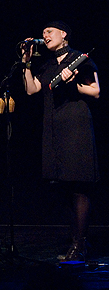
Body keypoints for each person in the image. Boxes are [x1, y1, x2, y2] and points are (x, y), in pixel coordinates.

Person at [22, 21, 100, 261]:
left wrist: (74, 86)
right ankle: (75, 241)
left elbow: (96, 90)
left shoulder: (80, 59)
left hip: (76, 127)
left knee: (78, 185)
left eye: (49, 31)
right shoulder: (46, 65)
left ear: (64, 34)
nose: (44, 35)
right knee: (62, 187)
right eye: (43, 32)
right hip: (54, 129)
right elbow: (31, 89)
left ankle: (80, 244)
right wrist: (26, 63)